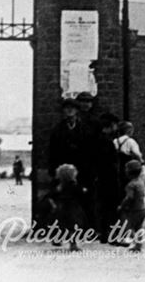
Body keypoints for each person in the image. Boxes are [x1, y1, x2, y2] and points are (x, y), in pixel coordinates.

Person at [48, 97, 99, 230]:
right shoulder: (58, 129)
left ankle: (84, 230)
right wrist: (54, 172)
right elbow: (51, 152)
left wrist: (90, 172)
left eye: (72, 108)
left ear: (77, 111)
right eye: (67, 109)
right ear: (64, 111)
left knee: (82, 202)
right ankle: (58, 232)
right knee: (61, 202)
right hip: (63, 172)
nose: (69, 111)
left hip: (81, 171)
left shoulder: (85, 129)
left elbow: (91, 151)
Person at [40, 163, 88, 251]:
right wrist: (84, 190)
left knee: (60, 225)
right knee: (73, 227)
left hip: (61, 206)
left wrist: (54, 205)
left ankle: (57, 239)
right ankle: (73, 245)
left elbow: (50, 195)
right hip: (72, 207)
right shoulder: (73, 184)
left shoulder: (59, 186)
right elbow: (80, 191)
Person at [95, 112, 123, 242]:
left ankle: (104, 234)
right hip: (109, 179)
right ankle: (113, 235)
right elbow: (110, 163)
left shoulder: (98, 139)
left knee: (103, 207)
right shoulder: (107, 141)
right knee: (112, 207)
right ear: (112, 125)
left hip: (100, 178)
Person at [116, 159, 145, 252]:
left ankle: (134, 241)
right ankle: (138, 246)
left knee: (127, 227)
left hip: (133, 210)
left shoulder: (131, 185)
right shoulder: (141, 182)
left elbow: (129, 197)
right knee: (139, 227)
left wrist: (122, 206)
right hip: (142, 209)